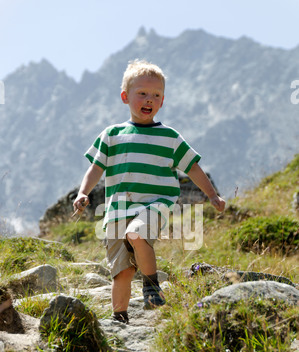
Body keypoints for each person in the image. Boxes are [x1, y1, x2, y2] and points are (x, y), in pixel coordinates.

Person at [73, 59, 225, 324]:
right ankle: (119, 317)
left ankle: (152, 286)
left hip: (155, 204)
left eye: (156, 95)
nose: (149, 99)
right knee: (121, 271)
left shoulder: (169, 137)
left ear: (162, 101)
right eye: (142, 93)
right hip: (117, 210)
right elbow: (96, 169)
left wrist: (212, 194)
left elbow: (193, 167)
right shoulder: (112, 134)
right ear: (125, 97)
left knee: (137, 233)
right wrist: (83, 192)